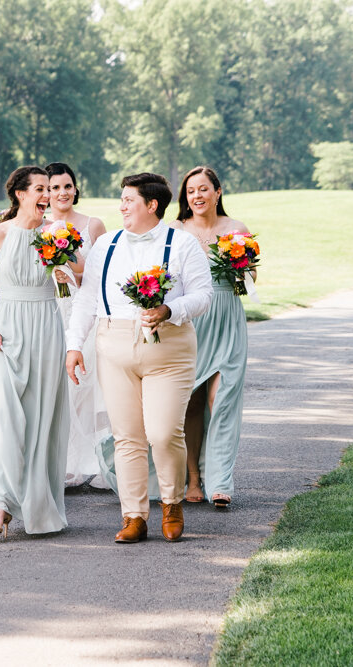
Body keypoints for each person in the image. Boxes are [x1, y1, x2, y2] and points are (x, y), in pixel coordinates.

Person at [65, 173, 212, 543]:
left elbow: (203, 295)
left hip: (169, 346)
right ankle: (134, 515)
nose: (121, 207)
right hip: (113, 342)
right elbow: (85, 299)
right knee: (126, 436)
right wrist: (74, 344)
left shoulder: (182, 243)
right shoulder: (105, 244)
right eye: (121, 200)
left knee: (163, 433)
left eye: (129, 200)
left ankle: (172, 503)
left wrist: (169, 308)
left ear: (152, 205)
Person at [0, 166, 69, 538]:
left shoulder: (57, 234)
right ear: (20, 194)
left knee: (40, 419)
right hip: (6, 329)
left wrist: (67, 272)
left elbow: (79, 270)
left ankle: (32, 504)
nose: (47, 195)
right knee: (1, 419)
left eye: (49, 189)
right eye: (41, 189)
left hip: (46, 327)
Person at [171, 166, 252, 508]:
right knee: (190, 401)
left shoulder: (237, 230)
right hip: (192, 321)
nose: (198, 196)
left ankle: (220, 481)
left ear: (218, 192)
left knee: (222, 400)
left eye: (204, 189)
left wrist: (239, 269)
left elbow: (249, 284)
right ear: (185, 197)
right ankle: (192, 478)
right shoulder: (177, 230)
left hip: (228, 319)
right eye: (191, 191)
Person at [44, 162, 110, 488]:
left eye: (67, 186)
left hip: (83, 309)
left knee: (85, 386)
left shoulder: (92, 225)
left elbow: (100, 273)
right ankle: (66, 461)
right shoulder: (37, 226)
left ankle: (94, 460)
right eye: (55, 187)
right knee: (60, 388)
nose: (62, 193)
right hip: (51, 309)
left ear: (75, 188)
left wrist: (68, 259)